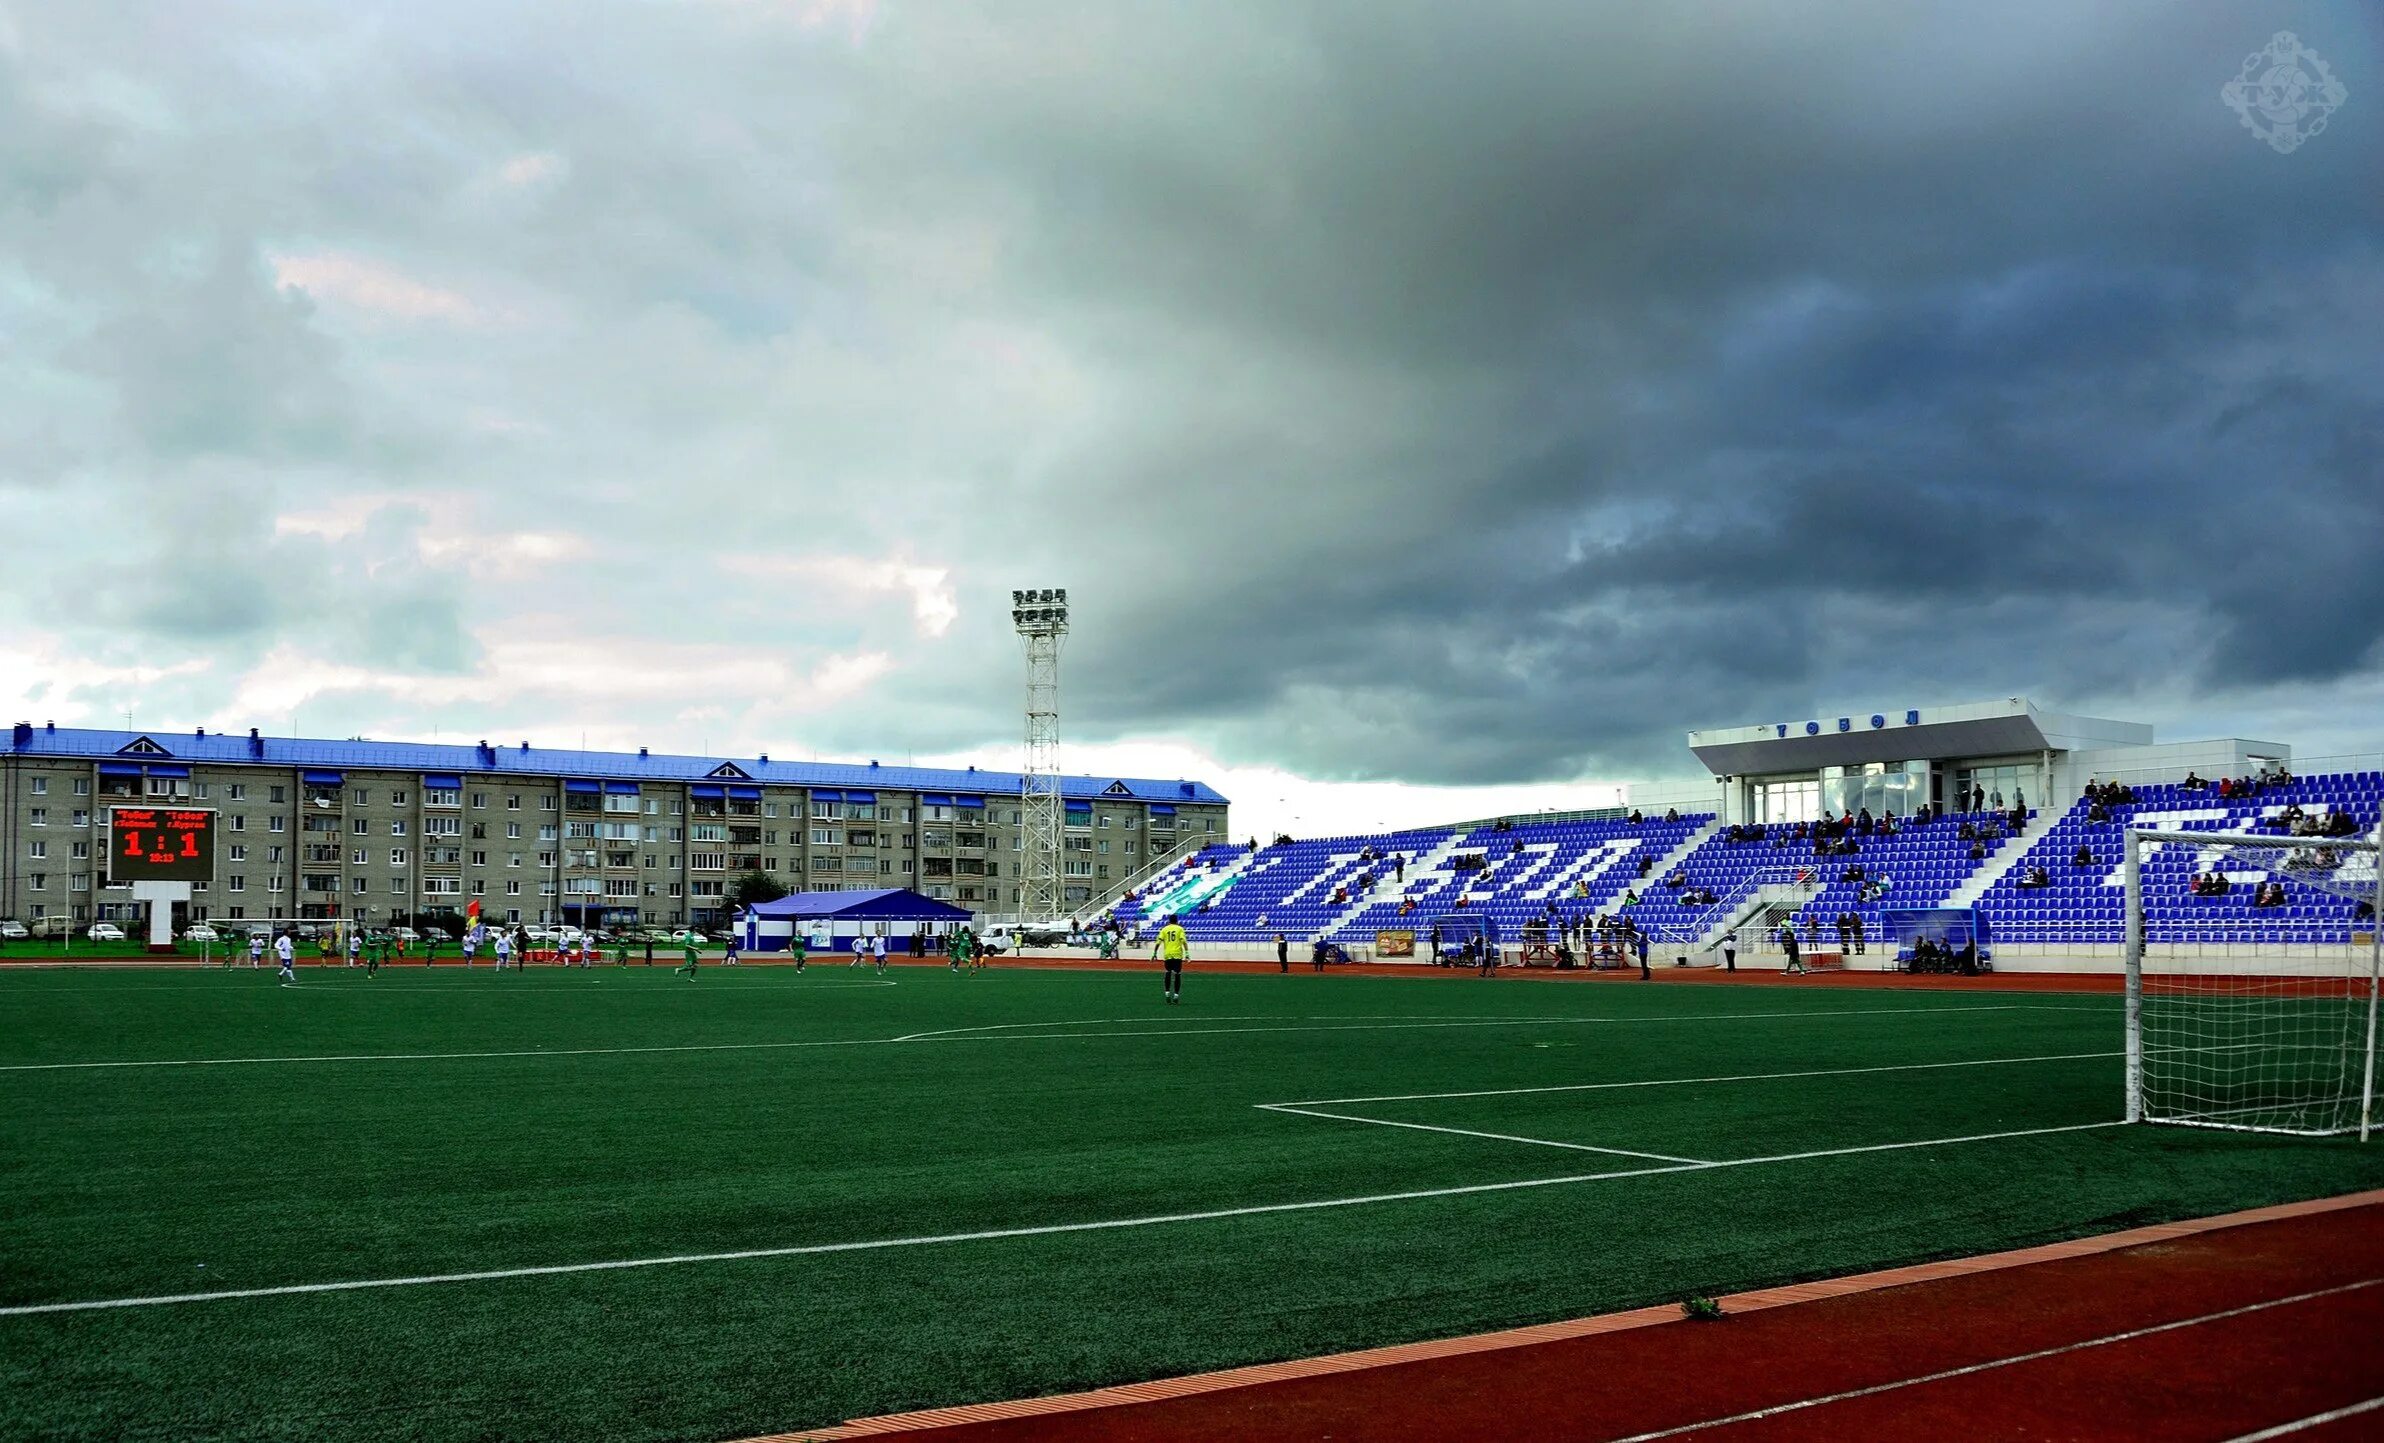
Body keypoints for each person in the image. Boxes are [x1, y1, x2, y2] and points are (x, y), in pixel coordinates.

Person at [1153, 914, 1188, 1004]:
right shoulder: (1180, 929)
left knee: (1168, 972)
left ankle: (1167, 993)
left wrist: (1154, 953)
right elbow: (1183, 941)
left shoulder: (1164, 929)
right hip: (1177, 954)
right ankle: (1176, 995)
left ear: (1169, 921)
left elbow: (1158, 942)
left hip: (1167, 954)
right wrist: (1187, 953)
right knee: (1177, 974)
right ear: (1177, 921)